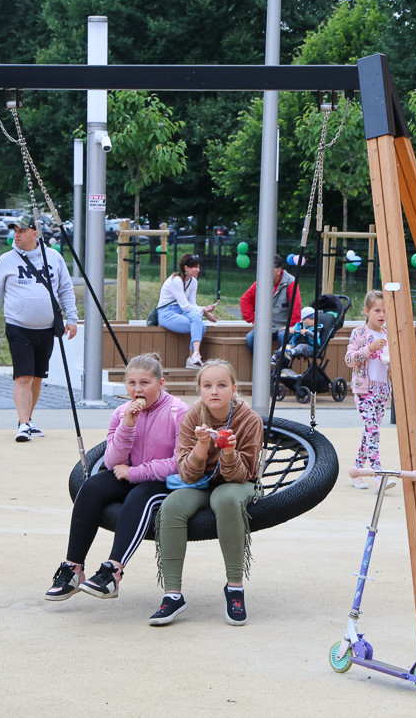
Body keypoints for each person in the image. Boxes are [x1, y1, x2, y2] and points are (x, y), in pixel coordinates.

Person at [45, 353, 190, 601]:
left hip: (163, 481)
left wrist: (136, 473)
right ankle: (73, 568)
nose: (137, 389)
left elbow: (180, 463)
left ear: (161, 384)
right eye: (131, 383)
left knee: (139, 496)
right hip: (128, 472)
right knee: (91, 487)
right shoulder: (122, 412)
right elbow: (112, 461)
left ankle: (113, 571)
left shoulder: (180, 412)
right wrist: (128, 425)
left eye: (145, 383)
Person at [150, 359, 265, 626]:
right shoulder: (192, 417)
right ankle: (172, 593)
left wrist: (227, 451)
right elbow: (187, 474)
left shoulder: (249, 420)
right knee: (172, 506)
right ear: (200, 390)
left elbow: (241, 474)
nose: (214, 391)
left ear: (234, 389)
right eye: (208, 385)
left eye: (222, 385)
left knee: (225, 499)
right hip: (200, 483)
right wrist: (202, 447)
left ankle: (235, 587)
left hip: (237, 482)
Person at [0, 215, 78, 442]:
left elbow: (66, 289)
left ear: (35, 233)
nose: (17, 234)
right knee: (23, 376)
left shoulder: (53, 257)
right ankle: (23, 423)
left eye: (22, 230)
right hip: (18, 326)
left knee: (36, 377)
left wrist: (72, 318)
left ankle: (28, 419)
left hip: (47, 328)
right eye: (15, 230)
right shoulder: (7, 260)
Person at [344, 290, 394, 492]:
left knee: (369, 433)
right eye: (377, 310)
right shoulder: (359, 333)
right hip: (364, 390)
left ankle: (356, 471)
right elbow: (349, 360)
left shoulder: (389, 334)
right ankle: (378, 474)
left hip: (382, 390)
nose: (381, 314)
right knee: (372, 430)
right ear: (367, 311)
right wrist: (370, 348)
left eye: (384, 310)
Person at [156, 253, 218, 368]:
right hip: (166, 313)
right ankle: (195, 354)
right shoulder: (176, 280)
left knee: (200, 324)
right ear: (186, 268)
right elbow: (185, 305)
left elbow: (192, 304)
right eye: (195, 267)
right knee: (197, 325)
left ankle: (192, 357)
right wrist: (204, 310)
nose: (198, 270)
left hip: (182, 311)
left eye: (199, 267)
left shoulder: (193, 282)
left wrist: (206, 313)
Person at [240, 254, 302, 354]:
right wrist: (253, 319)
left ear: (278, 270)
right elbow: (245, 300)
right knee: (251, 338)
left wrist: (291, 326)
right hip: (265, 326)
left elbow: (296, 306)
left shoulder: (291, 282)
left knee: (284, 337)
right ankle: (264, 368)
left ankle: (283, 367)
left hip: (284, 326)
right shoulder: (260, 282)